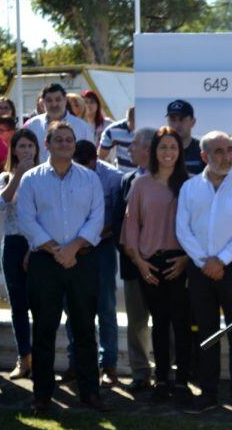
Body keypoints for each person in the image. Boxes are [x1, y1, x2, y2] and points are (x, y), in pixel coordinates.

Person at [17, 121, 106, 414]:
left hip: (81, 260)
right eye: (59, 140)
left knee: (84, 330)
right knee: (44, 329)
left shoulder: (89, 179)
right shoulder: (31, 179)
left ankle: (90, 392)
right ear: (47, 144)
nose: (65, 144)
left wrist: (73, 248)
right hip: (45, 261)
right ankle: (42, 395)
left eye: (69, 140)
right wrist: (56, 249)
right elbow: (27, 220)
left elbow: (96, 218)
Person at [177, 131, 232, 414]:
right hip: (201, 270)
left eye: (229, 150)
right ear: (204, 156)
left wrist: (221, 260)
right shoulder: (190, 188)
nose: (226, 157)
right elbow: (183, 230)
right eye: (218, 151)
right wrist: (205, 263)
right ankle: (208, 392)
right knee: (206, 332)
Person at [120, 126, 193, 404]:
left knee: (182, 322)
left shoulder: (190, 183)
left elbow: (199, 228)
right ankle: (162, 379)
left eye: (173, 147)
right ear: (154, 151)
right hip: (149, 263)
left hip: (181, 262)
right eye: (163, 147)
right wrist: (139, 262)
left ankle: (183, 380)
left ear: (180, 151)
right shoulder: (141, 184)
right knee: (159, 323)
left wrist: (187, 259)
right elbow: (131, 226)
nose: (168, 152)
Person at [65, 140, 123, 386]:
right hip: (74, 249)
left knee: (106, 307)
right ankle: (75, 363)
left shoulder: (113, 178)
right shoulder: (64, 172)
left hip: (102, 247)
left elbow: (118, 218)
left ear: (94, 162)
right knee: (73, 307)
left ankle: (108, 364)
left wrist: (91, 236)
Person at [0, 129, 39, 380]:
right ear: (14, 150)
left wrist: (35, 249)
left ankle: (42, 358)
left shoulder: (45, 176)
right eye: (21, 146)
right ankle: (24, 358)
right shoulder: (5, 177)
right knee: (18, 305)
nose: (26, 151)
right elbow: (0, 205)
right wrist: (18, 174)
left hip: (39, 245)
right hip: (13, 244)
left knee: (42, 304)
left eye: (30, 146)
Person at [115, 128, 155, 393]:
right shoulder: (127, 180)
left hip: (164, 264)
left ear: (149, 149)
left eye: (135, 144)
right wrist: (133, 254)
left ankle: (167, 370)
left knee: (169, 321)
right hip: (132, 262)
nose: (128, 149)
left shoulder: (171, 180)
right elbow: (120, 222)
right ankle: (140, 373)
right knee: (137, 321)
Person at [24, 83, 93, 155]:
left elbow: (90, 157)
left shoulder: (82, 127)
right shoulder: (32, 126)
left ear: (65, 100)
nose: (54, 104)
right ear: (43, 102)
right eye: (49, 100)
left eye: (58, 100)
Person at [166, 99, 205, 175]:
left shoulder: (202, 149)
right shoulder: (160, 150)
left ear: (193, 121)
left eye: (181, 119)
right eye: (172, 119)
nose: (177, 125)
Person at [99, 106, 136, 172]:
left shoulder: (154, 129)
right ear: (127, 120)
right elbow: (101, 157)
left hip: (149, 177)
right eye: (133, 124)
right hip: (123, 175)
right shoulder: (112, 131)